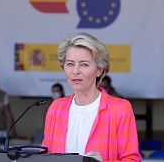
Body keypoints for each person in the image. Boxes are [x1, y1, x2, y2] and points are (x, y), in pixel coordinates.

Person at [42, 33, 141, 161]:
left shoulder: (120, 109)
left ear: (99, 70)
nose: (75, 71)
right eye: (70, 64)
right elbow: (44, 155)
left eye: (84, 64)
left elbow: (132, 159)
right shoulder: (56, 107)